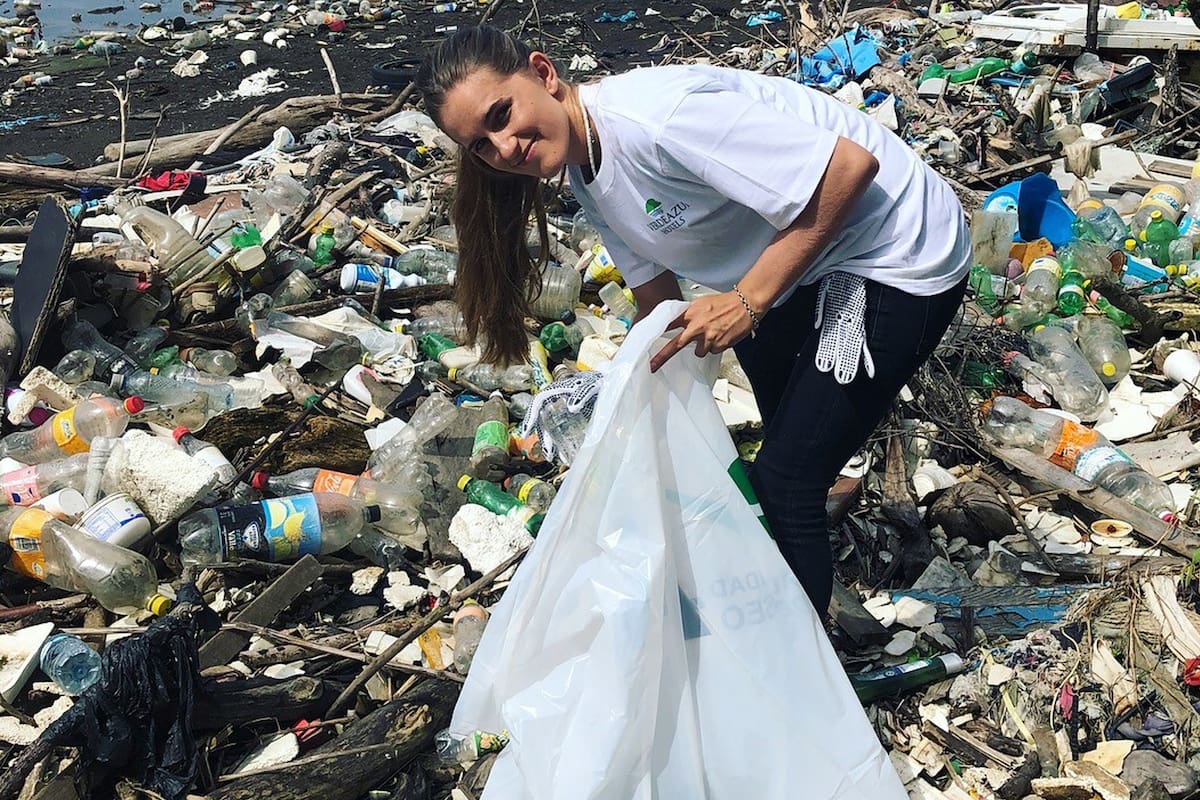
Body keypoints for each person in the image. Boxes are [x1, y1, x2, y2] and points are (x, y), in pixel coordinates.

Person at [416, 26, 971, 614]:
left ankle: (803, 677)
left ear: (544, 73)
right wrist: (628, 409)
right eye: (480, 144)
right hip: (793, 260)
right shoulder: (586, 171)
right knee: (778, 450)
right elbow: (658, 305)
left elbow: (849, 168)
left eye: (501, 114)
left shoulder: (655, 118)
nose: (504, 148)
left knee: (784, 486)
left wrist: (748, 301)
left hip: (895, 248)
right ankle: (813, 535)